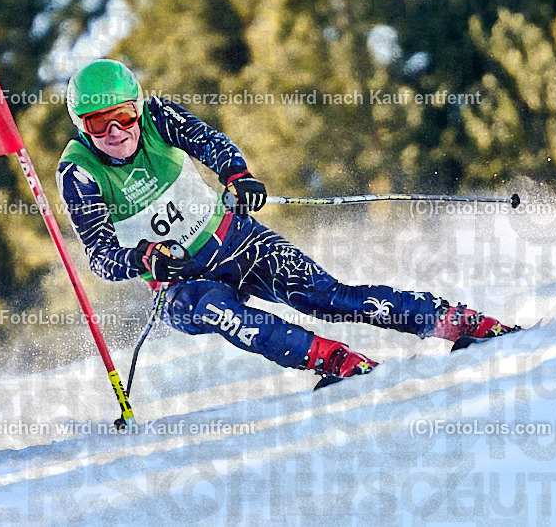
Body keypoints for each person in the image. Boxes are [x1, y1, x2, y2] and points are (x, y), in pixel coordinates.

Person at [57, 60, 518, 384]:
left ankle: (454, 321)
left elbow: (208, 141)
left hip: (233, 240)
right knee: (232, 317)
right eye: (99, 125)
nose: (116, 133)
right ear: (82, 127)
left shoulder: (158, 117)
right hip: (180, 286)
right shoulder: (78, 172)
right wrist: (143, 258)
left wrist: (238, 176)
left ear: (136, 109)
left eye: (122, 117)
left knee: (326, 297)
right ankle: (334, 360)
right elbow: (99, 256)